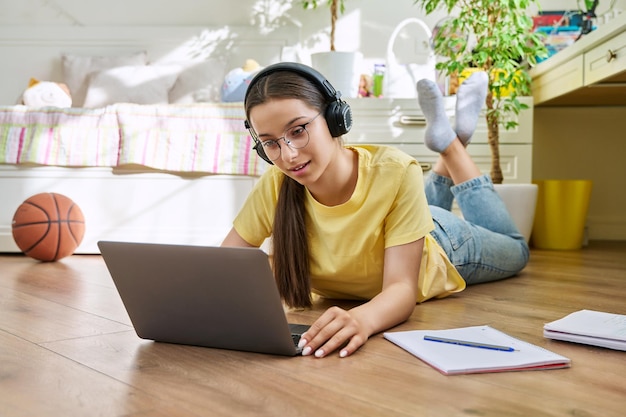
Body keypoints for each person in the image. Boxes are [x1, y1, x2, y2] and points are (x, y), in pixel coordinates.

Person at [221, 62, 529, 359]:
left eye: (298, 130)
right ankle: (450, 140)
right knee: (422, 206)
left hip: (443, 242)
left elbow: (401, 289)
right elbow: (223, 267)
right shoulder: (276, 184)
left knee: (516, 248)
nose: (287, 155)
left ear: (334, 118)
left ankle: (450, 145)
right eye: (270, 143)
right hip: (402, 224)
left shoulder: (395, 170)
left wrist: (362, 319)